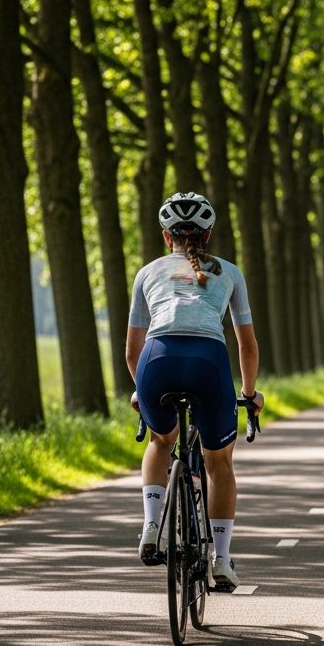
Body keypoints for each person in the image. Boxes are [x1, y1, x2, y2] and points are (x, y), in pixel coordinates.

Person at [126, 191, 263, 593]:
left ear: (165, 237)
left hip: (157, 360)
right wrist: (250, 392)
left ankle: (152, 527)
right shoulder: (230, 273)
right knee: (219, 463)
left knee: (160, 440)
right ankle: (220, 558)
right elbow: (248, 346)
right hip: (208, 361)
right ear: (209, 235)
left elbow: (133, 350)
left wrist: (141, 391)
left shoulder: (147, 272)